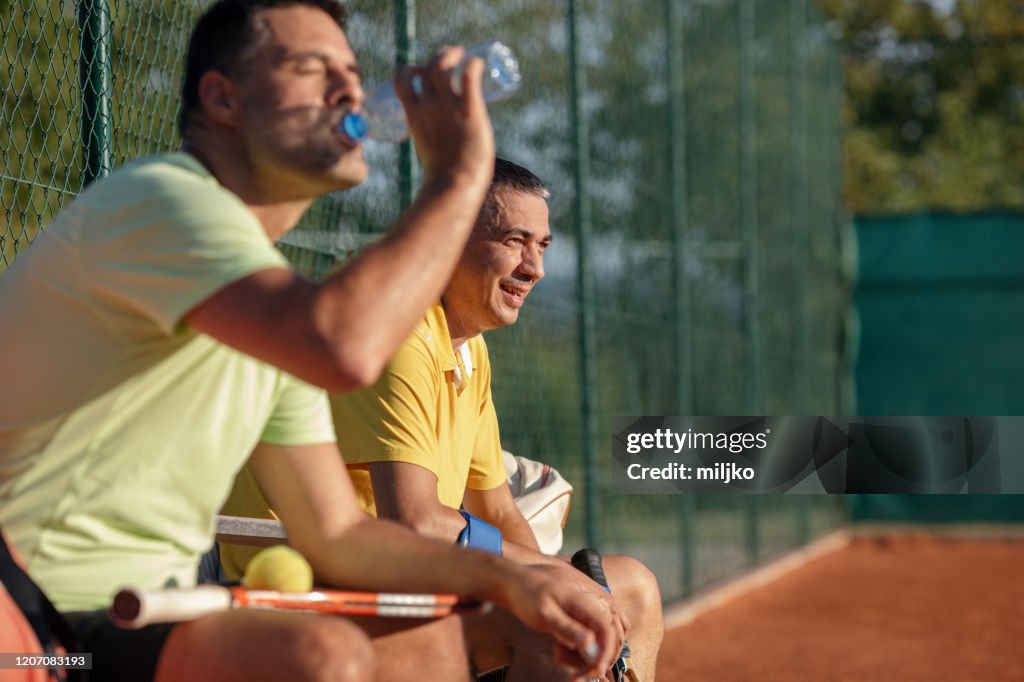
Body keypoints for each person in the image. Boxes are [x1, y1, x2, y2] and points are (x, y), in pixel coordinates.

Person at [0, 2, 621, 681]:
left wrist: (513, 580)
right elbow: (343, 344)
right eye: (312, 69)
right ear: (224, 98)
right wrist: (459, 177)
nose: (348, 92)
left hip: (123, 619)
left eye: (352, 74)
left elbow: (341, 534)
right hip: (20, 603)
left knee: (410, 638)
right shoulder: (163, 201)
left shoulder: (267, 312)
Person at [223, 159, 664, 680]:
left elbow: (497, 511)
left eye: (542, 246)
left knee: (633, 586)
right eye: (514, 240)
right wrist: (547, 580)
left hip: (397, 575)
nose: (534, 267)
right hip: (310, 583)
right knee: (557, 624)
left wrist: (567, 581)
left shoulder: (468, 348)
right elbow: (415, 521)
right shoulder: (399, 329)